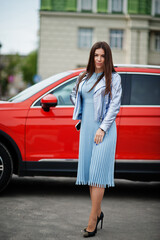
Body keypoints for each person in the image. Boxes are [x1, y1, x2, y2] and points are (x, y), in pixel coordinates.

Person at [70, 41, 122, 238]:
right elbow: (74, 94)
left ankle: (92, 221)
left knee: (98, 174)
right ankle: (98, 213)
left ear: (107, 58)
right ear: (92, 57)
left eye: (103, 56)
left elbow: (114, 106)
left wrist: (102, 128)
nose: (99, 59)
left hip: (104, 131)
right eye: (96, 55)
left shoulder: (114, 78)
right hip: (87, 130)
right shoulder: (84, 76)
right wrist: (81, 111)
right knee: (91, 176)